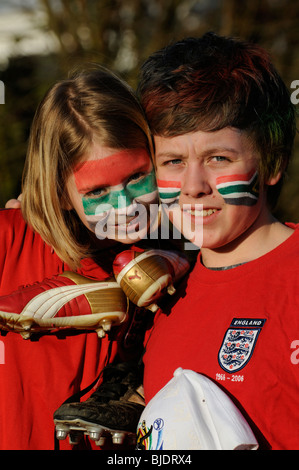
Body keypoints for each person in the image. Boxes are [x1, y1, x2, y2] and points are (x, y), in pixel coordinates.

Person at [0, 66, 189, 450]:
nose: (125, 206)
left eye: (137, 177)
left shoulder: (186, 252)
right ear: (59, 190)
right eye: (97, 190)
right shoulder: (9, 239)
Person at [137, 32, 299, 450]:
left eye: (218, 158)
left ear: (273, 162)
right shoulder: (159, 291)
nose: (193, 186)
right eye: (173, 162)